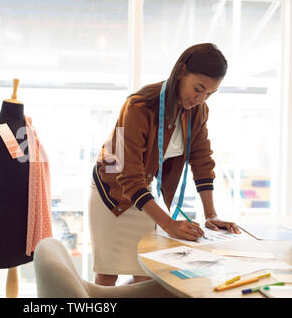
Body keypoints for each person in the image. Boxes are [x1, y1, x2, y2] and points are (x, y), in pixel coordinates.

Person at [89, 43, 241, 287]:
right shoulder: (138, 107)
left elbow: (201, 159)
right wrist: (168, 224)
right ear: (181, 72)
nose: (201, 99)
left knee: (146, 273)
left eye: (209, 94)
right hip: (111, 193)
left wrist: (210, 214)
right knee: (108, 272)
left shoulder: (198, 112)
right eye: (198, 89)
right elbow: (127, 175)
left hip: (140, 192)